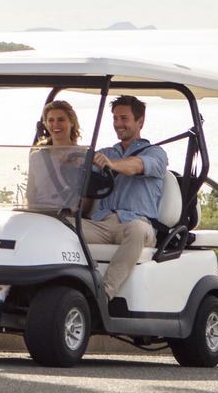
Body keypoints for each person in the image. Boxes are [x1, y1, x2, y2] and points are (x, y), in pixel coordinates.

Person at [82, 95, 168, 301]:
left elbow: (136, 166)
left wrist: (111, 165)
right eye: (115, 119)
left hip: (137, 224)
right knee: (61, 228)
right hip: (103, 224)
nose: (118, 124)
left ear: (140, 122)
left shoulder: (156, 154)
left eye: (124, 119)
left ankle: (104, 293)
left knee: (136, 230)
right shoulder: (105, 152)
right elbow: (80, 177)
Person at [24, 100, 87, 211]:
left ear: (72, 122)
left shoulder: (83, 156)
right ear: (46, 124)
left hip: (67, 216)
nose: (56, 124)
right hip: (41, 214)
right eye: (51, 120)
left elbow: (88, 198)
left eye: (61, 120)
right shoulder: (36, 157)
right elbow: (30, 195)